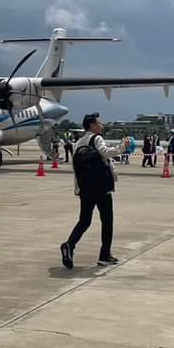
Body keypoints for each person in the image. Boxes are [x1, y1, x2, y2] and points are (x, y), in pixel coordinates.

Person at [62, 113, 121, 268]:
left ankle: (69, 244)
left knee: (84, 221)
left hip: (85, 188)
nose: (102, 125)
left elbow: (76, 168)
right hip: (101, 188)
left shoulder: (78, 143)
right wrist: (123, 147)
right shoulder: (96, 138)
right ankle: (104, 255)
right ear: (92, 126)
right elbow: (106, 153)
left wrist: (78, 188)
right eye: (99, 122)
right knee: (107, 221)